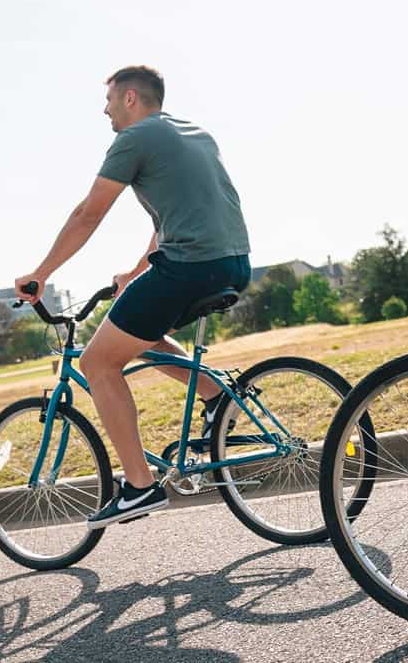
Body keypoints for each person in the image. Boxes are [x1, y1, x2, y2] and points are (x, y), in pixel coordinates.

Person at [15, 65, 252, 526]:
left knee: (97, 363)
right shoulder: (194, 134)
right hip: (232, 263)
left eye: (108, 101)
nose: (104, 111)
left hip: (189, 267)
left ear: (130, 99)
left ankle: (139, 487)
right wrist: (135, 272)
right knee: (144, 333)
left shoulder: (135, 138)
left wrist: (40, 274)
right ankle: (217, 397)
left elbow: (88, 214)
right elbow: (176, 220)